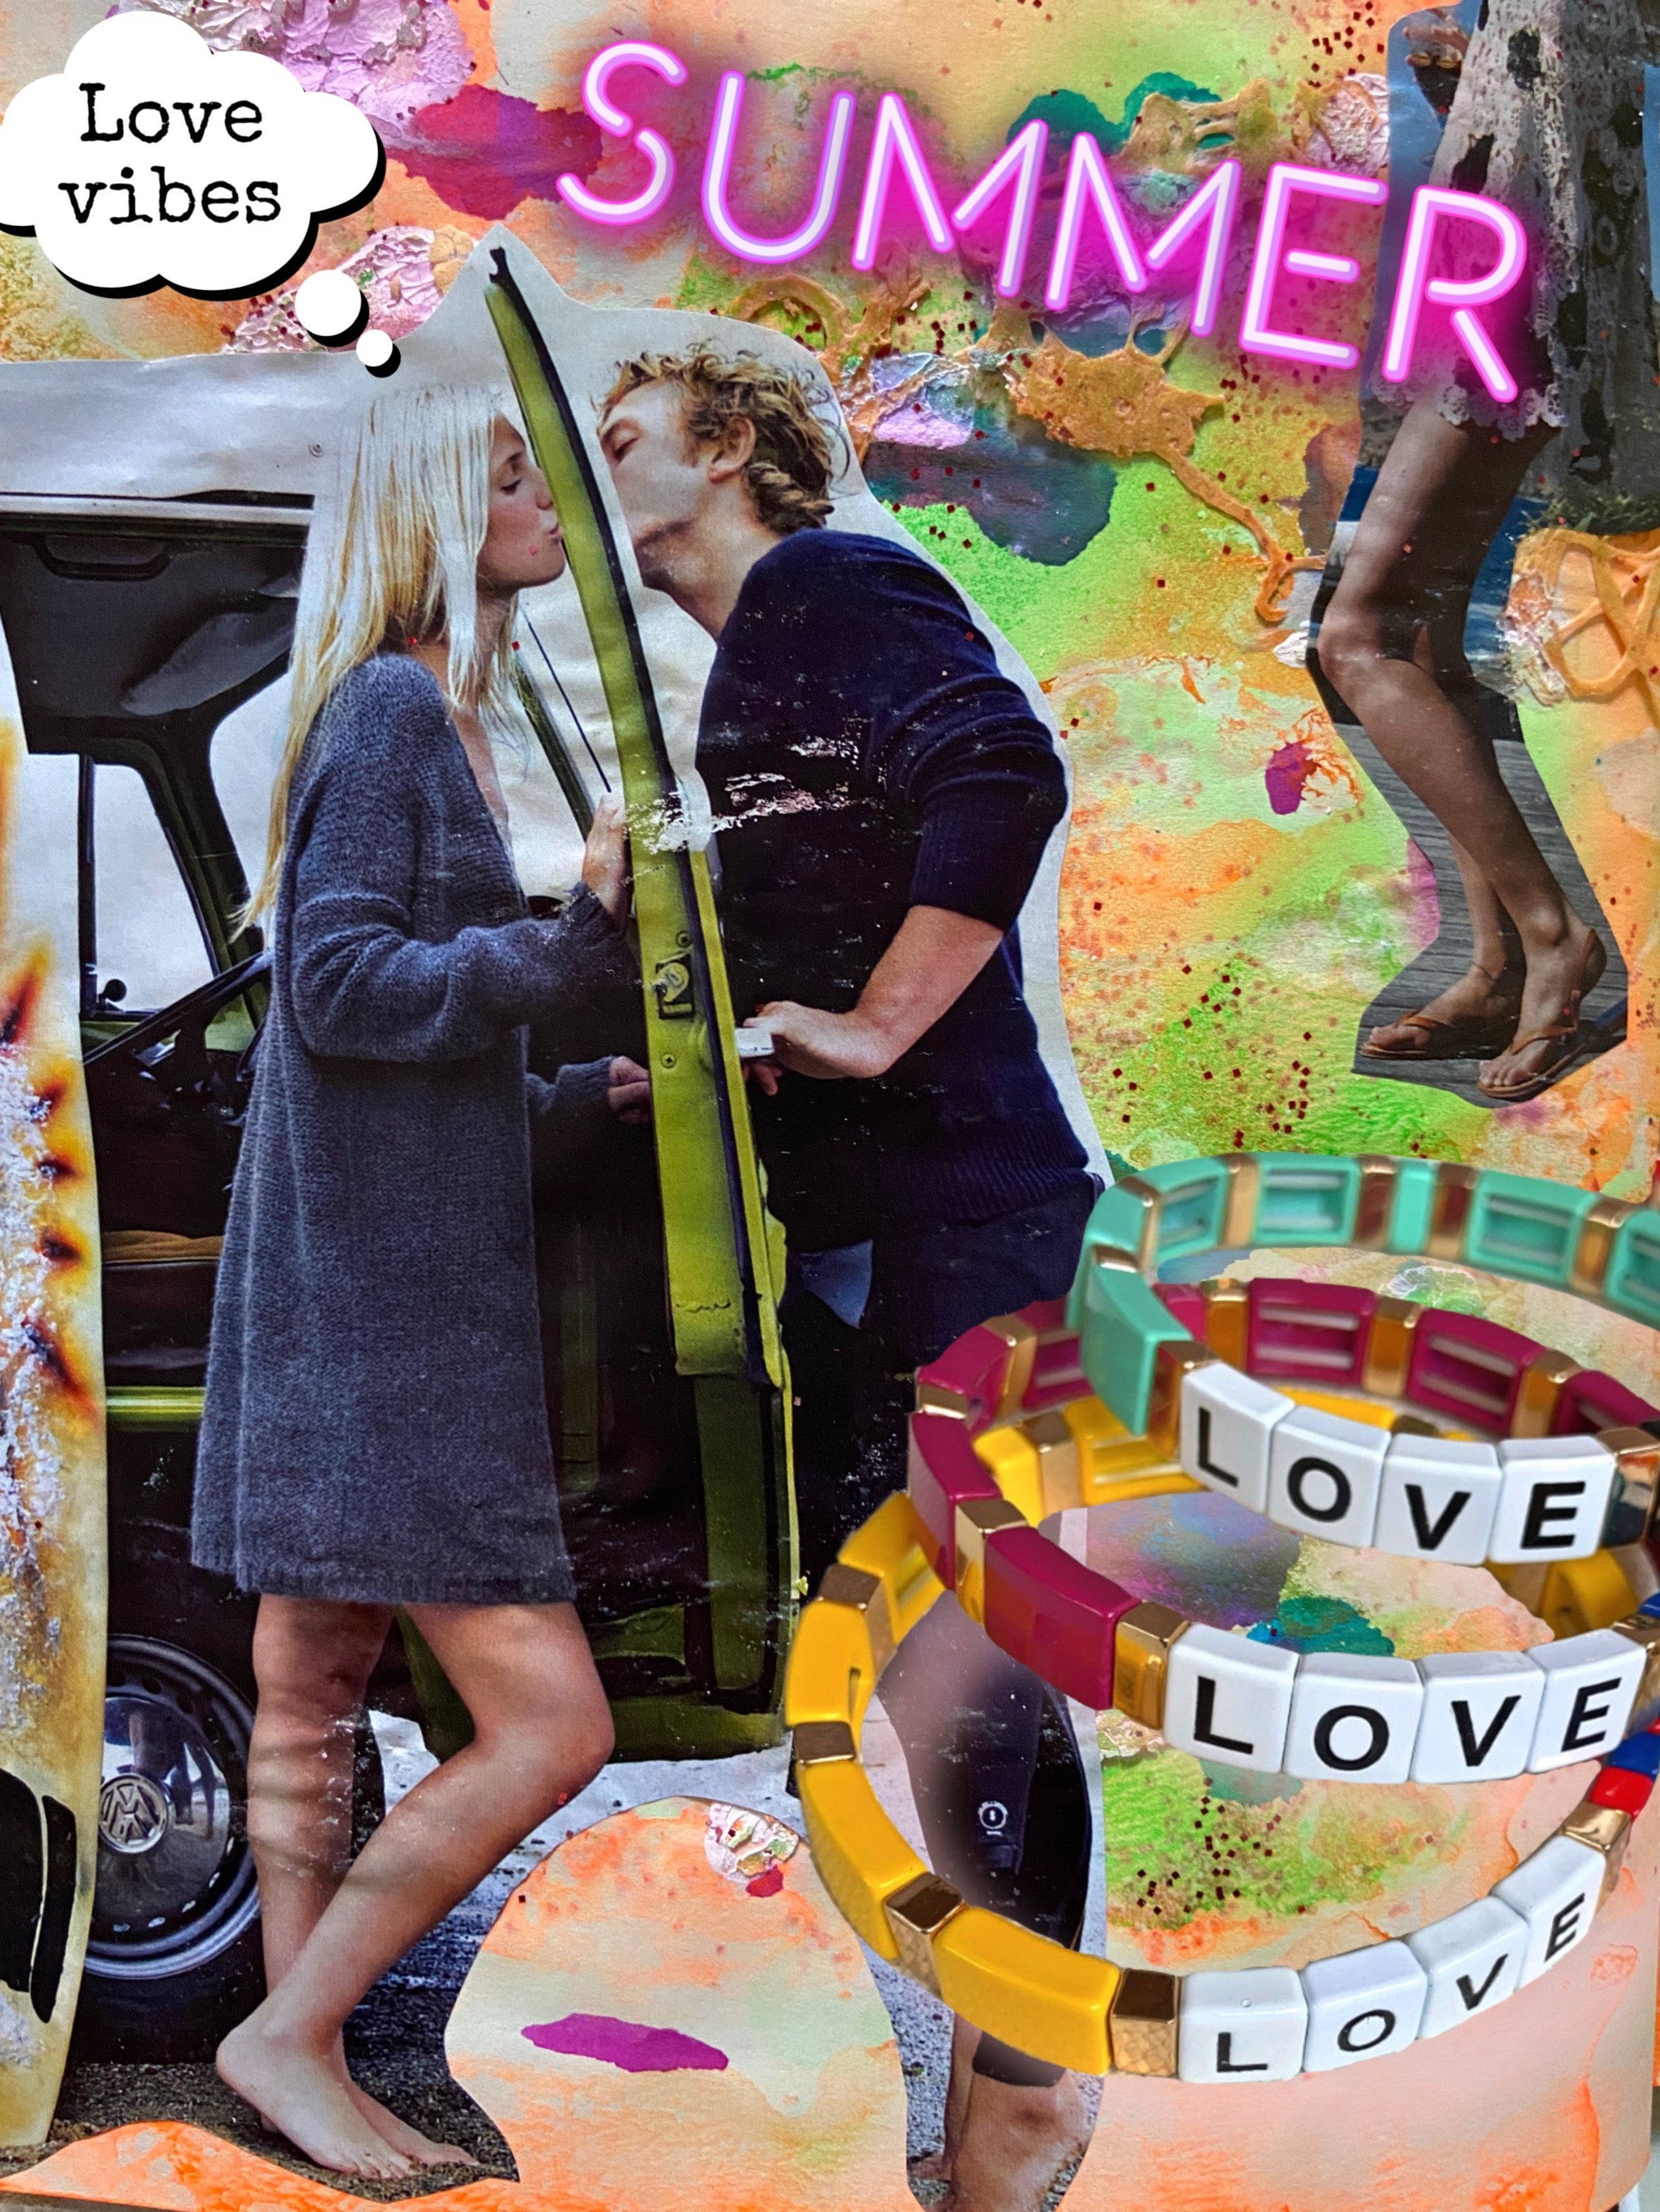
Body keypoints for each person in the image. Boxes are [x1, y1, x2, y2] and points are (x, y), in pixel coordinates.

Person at [600, 347, 1098, 2212]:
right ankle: (1010, 2068)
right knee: (913, 1649)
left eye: (625, 442)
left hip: (962, 1210)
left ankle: (1026, 2093)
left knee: (962, 1657)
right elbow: (824, 866)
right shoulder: (755, 668)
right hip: (894, 1222)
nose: (598, 477)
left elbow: (1000, 770)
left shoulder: (825, 583)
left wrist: (877, 1026)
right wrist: (713, 1018)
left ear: (731, 446)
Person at [192, 384, 645, 2179]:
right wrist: (579, 946)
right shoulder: (393, 710)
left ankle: (298, 2065)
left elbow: (401, 1067)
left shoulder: (427, 713)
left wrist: (576, 1097)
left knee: (311, 1690)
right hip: (392, 1315)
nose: (546, 501)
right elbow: (342, 991)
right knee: (552, 1723)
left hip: (348, 1276)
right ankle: (288, 2035)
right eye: (514, 476)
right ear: (441, 509)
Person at [1317, 0, 1660, 1101]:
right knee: (1419, 636)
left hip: (1518, 294)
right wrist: (1480, 83)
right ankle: (1498, 963)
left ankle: (1554, 937)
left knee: (1357, 637)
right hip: (1503, 270)